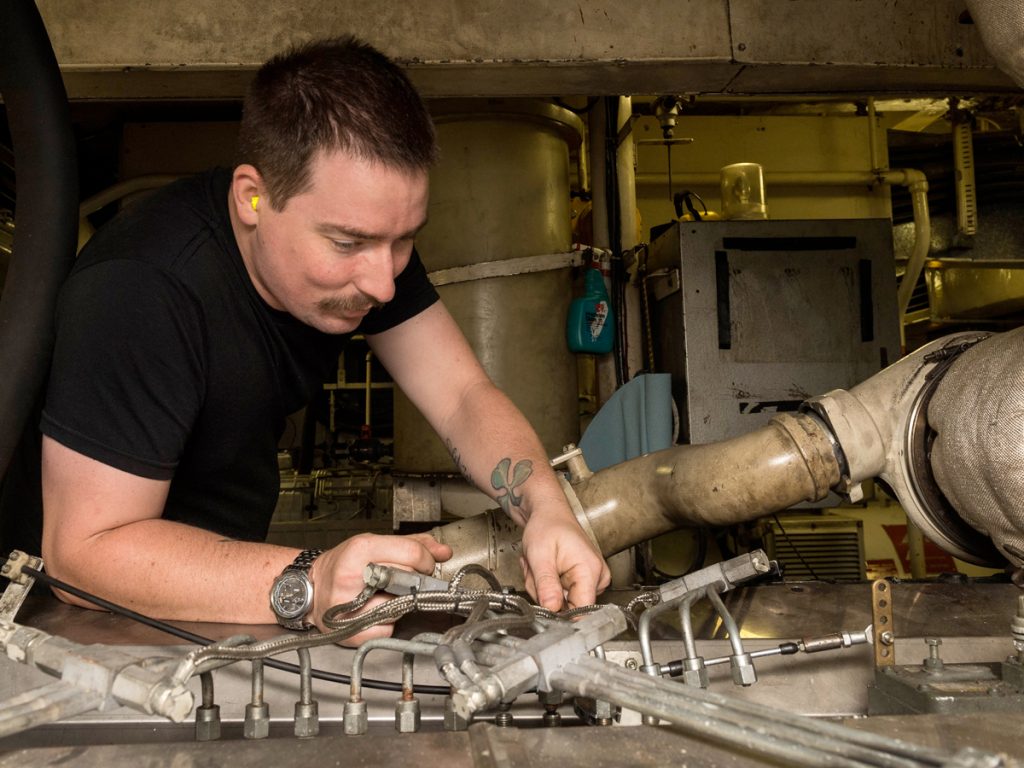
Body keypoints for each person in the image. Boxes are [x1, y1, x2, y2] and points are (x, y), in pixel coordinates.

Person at [16, 36, 609, 641]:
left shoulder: (373, 250)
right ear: (254, 197)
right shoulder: (142, 289)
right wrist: (312, 580)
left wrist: (547, 507)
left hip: (221, 603)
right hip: (83, 626)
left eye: (403, 239)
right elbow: (82, 555)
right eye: (347, 243)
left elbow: (460, 395)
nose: (383, 283)